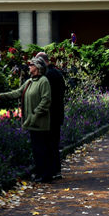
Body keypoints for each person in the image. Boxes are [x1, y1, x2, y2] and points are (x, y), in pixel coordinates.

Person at [0, 55, 53, 183]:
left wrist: (35, 113)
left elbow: (46, 99)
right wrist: (1, 96)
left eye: (31, 64)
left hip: (39, 122)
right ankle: (40, 173)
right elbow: (17, 93)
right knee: (36, 149)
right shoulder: (29, 82)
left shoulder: (43, 81)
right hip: (31, 121)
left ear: (37, 67)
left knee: (41, 148)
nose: (29, 66)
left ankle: (45, 174)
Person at [36, 51, 66, 180]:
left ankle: (50, 171)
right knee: (54, 143)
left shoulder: (45, 76)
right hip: (58, 113)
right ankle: (56, 170)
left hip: (48, 114)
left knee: (48, 144)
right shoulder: (58, 73)